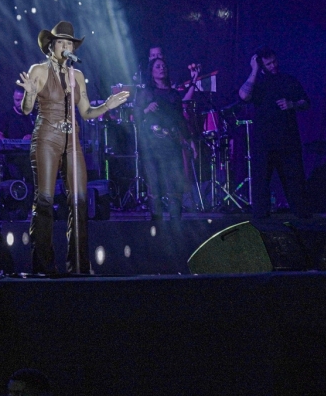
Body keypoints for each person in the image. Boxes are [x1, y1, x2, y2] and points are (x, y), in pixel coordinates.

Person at [16, 21, 129, 275]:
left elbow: (86, 112)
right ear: (51, 46)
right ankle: (43, 267)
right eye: (61, 42)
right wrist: (30, 94)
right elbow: (26, 109)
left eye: (69, 43)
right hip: (47, 136)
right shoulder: (38, 70)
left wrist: (107, 106)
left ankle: (78, 266)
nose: (66, 46)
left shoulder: (76, 75)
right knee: (45, 199)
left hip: (72, 139)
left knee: (79, 200)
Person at [238, 47, 310, 219]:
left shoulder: (288, 80)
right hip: (264, 142)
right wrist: (254, 70)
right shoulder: (257, 83)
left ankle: (302, 216)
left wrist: (292, 104)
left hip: (288, 140)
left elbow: (305, 102)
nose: (273, 66)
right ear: (261, 65)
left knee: (294, 180)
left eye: (274, 61)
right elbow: (244, 96)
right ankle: (261, 219)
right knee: (262, 181)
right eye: (268, 64)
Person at [138, 57, 194, 220]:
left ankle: (176, 219)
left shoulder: (173, 94)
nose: (162, 68)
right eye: (158, 66)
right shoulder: (146, 93)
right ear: (151, 72)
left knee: (174, 181)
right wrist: (147, 109)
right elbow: (135, 116)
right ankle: (156, 220)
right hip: (152, 143)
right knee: (154, 182)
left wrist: (189, 140)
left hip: (172, 142)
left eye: (163, 66)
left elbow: (180, 119)